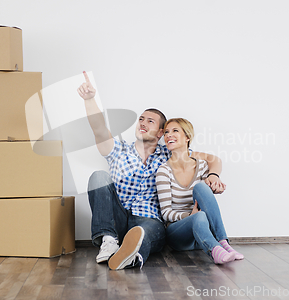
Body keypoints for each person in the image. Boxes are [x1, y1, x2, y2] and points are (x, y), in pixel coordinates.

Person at [77, 72, 226, 270]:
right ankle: (109, 241)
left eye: (150, 121)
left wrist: (213, 175)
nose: (143, 123)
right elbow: (99, 128)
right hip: (116, 218)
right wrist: (89, 100)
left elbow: (212, 159)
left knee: (145, 233)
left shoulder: (170, 154)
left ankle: (132, 256)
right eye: (141, 119)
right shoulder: (118, 150)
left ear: (160, 133)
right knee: (98, 177)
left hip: (148, 219)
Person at [156, 118, 244, 264]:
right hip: (178, 235)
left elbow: (205, 194)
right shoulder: (163, 171)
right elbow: (165, 213)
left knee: (201, 187)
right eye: (166, 132)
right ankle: (215, 250)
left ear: (187, 137)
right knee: (198, 216)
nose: (168, 135)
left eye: (175, 131)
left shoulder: (202, 165)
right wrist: (189, 215)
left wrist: (214, 188)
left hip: (202, 231)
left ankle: (223, 243)